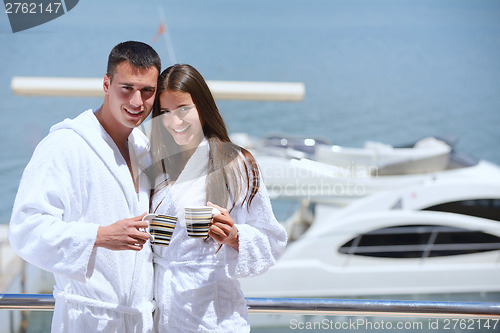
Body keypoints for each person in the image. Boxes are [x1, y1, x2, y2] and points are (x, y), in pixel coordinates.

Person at [8, 41, 161, 332]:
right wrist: (98, 236)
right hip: (86, 320)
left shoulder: (143, 147)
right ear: (106, 83)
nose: (137, 102)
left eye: (147, 91)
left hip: (139, 321)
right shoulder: (65, 145)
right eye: (126, 88)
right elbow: (25, 229)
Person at [149, 64, 288, 332]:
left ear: (202, 106)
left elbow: (272, 240)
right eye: (164, 112)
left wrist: (234, 237)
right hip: (165, 316)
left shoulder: (235, 163)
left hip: (213, 318)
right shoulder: (159, 165)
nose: (173, 121)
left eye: (183, 109)